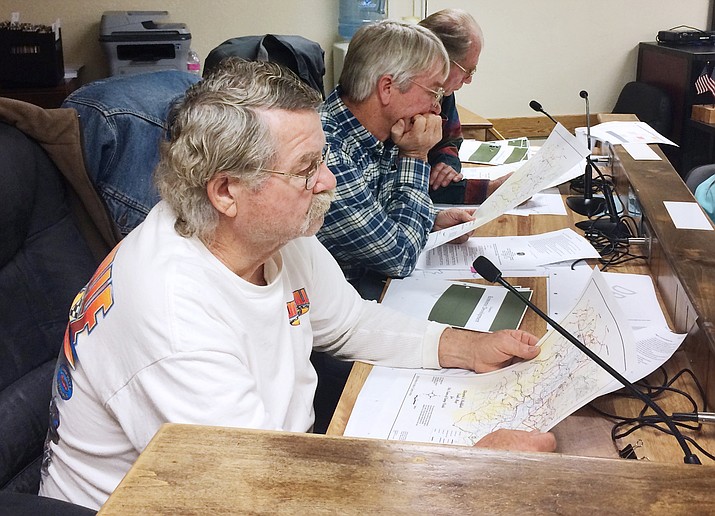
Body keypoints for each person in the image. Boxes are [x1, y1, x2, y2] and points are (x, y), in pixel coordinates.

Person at [39, 59, 555, 510]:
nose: (328, 180)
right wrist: (471, 472)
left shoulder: (270, 234)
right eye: (306, 168)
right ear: (225, 191)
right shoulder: (172, 312)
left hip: (265, 465)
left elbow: (348, 322)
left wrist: (465, 346)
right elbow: (264, 494)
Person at [318, 20, 476, 291]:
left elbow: (384, 215)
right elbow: (399, 257)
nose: (437, 106)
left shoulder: (384, 131)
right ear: (387, 88)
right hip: (340, 309)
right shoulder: (325, 152)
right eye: (433, 91)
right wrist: (415, 156)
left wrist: (433, 223)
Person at [419, 8, 510, 204]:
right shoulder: (407, 100)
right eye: (467, 71)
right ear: (440, 60)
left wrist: (445, 164)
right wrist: (488, 190)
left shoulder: (444, 93)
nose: (468, 80)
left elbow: (449, 141)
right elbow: (404, 184)